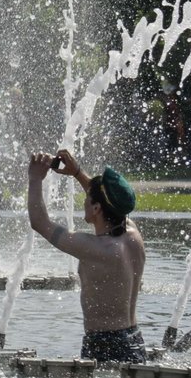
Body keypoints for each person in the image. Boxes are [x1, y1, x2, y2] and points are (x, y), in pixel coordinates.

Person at [28, 150, 146, 363]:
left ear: (97, 208)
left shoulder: (97, 249)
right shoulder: (133, 235)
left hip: (106, 345)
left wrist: (35, 179)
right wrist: (77, 172)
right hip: (134, 340)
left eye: (87, 198)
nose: (84, 201)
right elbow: (104, 199)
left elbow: (39, 222)